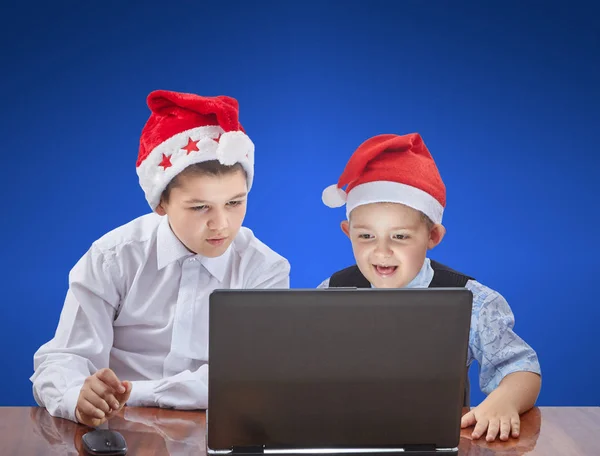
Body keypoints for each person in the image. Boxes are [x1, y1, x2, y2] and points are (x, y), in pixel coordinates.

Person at [31, 90, 290, 427]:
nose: (222, 224)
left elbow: (249, 379)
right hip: (118, 430)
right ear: (160, 204)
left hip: (214, 432)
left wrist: (132, 392)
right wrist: (77, 396)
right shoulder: (114, 257)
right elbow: (63, 356)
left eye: (235, 202)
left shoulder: (264, 270)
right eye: (200, 207)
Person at [318, 133, 541, 442]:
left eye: (399, 236)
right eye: (366, 236)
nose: (381, 252)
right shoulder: (329, 293)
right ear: (347, 232)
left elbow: (520, 367)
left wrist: (504, 400)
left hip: (437, 440)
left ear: (433, 237)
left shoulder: (471, 300)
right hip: (347, 437)